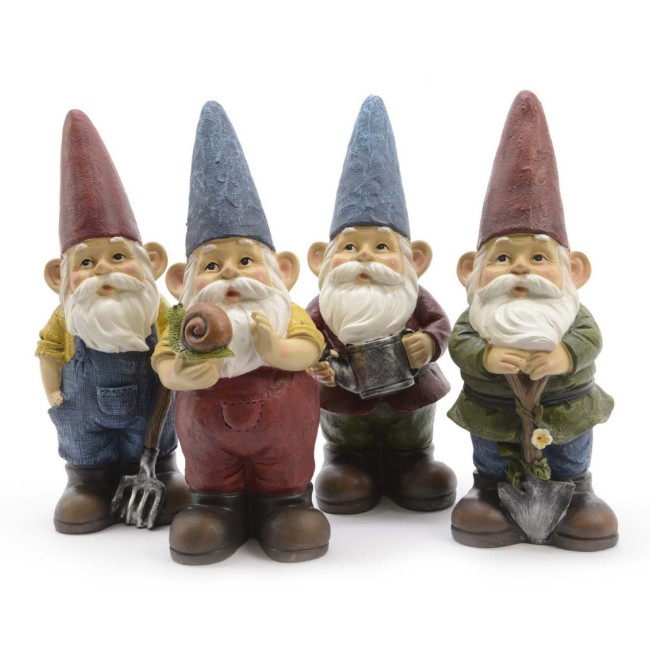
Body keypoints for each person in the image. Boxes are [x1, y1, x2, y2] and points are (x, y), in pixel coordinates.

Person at [153, 101, 330, 565]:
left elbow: (311, 348)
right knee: (211, 470)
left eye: (246, 260)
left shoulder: (286, 311)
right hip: (207, 430)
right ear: (183, 282)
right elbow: (165, 361)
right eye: (212, 265)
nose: (231, 272)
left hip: (283, 426)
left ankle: (286, 505)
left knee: (285, 468)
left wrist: (278, 349)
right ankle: (215, 506)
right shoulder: (181, 318)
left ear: (282, 271)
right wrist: (179, 374)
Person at [447, 90, 618, 551]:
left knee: (569, 453)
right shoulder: (475, 318)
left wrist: (565, 355)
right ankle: (488, 492)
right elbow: (460, 343)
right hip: (494, 410)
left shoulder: (573, 314)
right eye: (503, 258)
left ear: (573, 271)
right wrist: (485, 355)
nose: (520, 268)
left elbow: (590, 338)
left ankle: (576, 496)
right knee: (491, 452)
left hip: (565, 409)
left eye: (539, 257)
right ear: (471, 271)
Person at [37, 109, 188, 534]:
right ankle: (87, 483)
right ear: (59, 277)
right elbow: (49, 352)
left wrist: (181, 361)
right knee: (87, 445)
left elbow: (181, 340)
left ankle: (161, 470)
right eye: (86, 262)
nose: (104, 269)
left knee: (154, 434)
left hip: (150, 409)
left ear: (152, 263)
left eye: (118, 256)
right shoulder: (67, 316)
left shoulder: (158, 309)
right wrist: (52, 389)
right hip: (85, 413)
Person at [307, 96, 456, 514]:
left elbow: (440, 324)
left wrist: (429, 343)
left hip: (410, 395)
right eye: (349, 247)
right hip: (345, 399)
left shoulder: (412, 297)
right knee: (347, 441)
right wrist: (315, 361)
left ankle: (413, 462)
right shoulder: (323, 306)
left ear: (415, 260)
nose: (364, 256)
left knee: (412, 436)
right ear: (320, 260)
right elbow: (305, 338)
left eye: (381, 247)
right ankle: (346, 463)